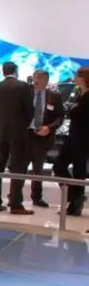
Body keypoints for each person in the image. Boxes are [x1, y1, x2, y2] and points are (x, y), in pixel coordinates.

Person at [0, 61, 35, 215]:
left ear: (3, 72)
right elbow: (30, 112)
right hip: (18, 133)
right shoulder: (24, 87)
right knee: (17, 169)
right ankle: (15, 204)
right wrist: (23, 124)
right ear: (16, 71)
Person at [53, 67, 89, 216]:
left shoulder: (87, 97)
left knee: (78, 170)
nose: (74, 77)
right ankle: (76, 196)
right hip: (74, 136)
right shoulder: (81, 94)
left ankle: (75, 202)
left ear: (83, 78)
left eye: (77, 75)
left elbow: (80, 115)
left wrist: (72, 111)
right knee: (59, 165)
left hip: (82, 138)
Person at [28, 69, 64, 208]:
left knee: (38, 169)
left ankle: (36, 197)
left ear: (46, 80)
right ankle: (15, 198)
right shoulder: (26, 94)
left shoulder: (54, 97)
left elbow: (60, 117)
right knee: (19, 167)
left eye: (40, 78)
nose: (36, 80)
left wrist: (49, 127)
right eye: (35, 77)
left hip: (42, 137)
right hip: (25, 135)